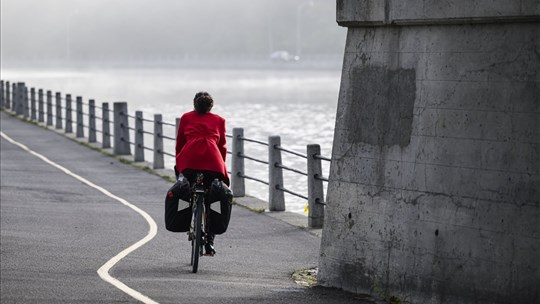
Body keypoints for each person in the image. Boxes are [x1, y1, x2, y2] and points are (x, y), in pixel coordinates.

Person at [175, 91, 231, 256]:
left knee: (185, 190)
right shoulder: (220, 120)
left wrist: (179, 163)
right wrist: (221, 164)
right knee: (212, 200)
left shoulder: (186, 117)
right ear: (210, 106)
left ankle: (187, 220)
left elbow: (180, 143)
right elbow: (222, 147)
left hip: (189, 161)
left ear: (194, 104)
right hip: (213, 162)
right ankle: (209, 243)